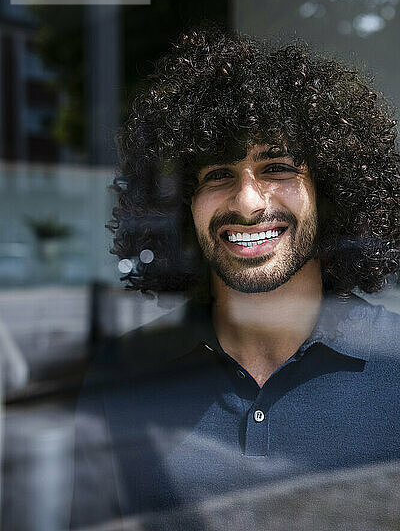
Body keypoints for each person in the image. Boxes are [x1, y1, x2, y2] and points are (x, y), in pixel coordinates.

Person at [70, 26, 400, 529]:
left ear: (332, 190)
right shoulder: (122, 376)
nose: (247, 202)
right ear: (182, 206)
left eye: (278, 167)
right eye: (217, 175)